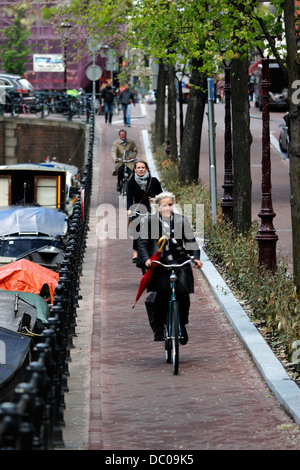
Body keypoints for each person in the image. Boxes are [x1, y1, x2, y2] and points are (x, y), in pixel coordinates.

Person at [137, 191, 203, 344]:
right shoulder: (150, 221)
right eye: (164, 205)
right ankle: (159, 327)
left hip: (179, 262)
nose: (168, 208)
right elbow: (142, 243)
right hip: (160, 264)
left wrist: (196, 258)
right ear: (158, 207)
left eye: (170, 204)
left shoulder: (181, 220)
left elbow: (191, 241)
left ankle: (182, 323)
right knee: (162, 293)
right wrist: (146, 259)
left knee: (183, 293)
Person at [126, 160, 162, 262]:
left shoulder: (153, 181)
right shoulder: (131, 182)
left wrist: (155, 199)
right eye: (139, 168)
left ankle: (158, 249)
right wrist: (129, 210)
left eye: (143, 168)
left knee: (157, 228)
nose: (141, 170)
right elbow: (129, 198)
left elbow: (161, 195)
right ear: (135, 169)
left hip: (152, 209)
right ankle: (136, 251)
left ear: (146, 169)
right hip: (138, 209)